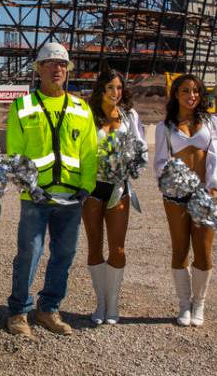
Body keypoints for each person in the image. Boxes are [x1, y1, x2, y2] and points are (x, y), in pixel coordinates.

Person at [5, 42, 98, 336]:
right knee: (29, 253)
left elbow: (89, 151)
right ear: (39, 69)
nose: (57, 68)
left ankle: (49, 309)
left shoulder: (81, 108)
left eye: (62, 64)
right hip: (35, 196)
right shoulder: (23, 106)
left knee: (64, 254)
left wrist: (86, 187)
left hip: (71, 198)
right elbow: (16, 153)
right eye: (51, 63)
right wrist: (30, 187)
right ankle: (19, 312)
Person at [152, 74, 217, 327]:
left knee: (204, 251)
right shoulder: (166, 127)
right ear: (176, 94)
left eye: (195, 91)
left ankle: (199, 303)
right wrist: (175, 182)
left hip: (205, 194)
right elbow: (160, 162)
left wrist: (215, 188)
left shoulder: (211, 122)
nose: (191, 96)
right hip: (176, 196)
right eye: (185, 91)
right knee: (180, 248)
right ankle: (184, 305)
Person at [83, 67, 148, 325]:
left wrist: (132, 166)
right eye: (111, 87)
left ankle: (113, 302)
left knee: (118, 248)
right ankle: (100, 302)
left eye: (119, 88)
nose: (116, 93)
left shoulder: (129, 115)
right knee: (94, 245)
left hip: (119, 188)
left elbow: (140, 146)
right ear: (101, 89)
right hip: (93, 188)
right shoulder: (88, 115)